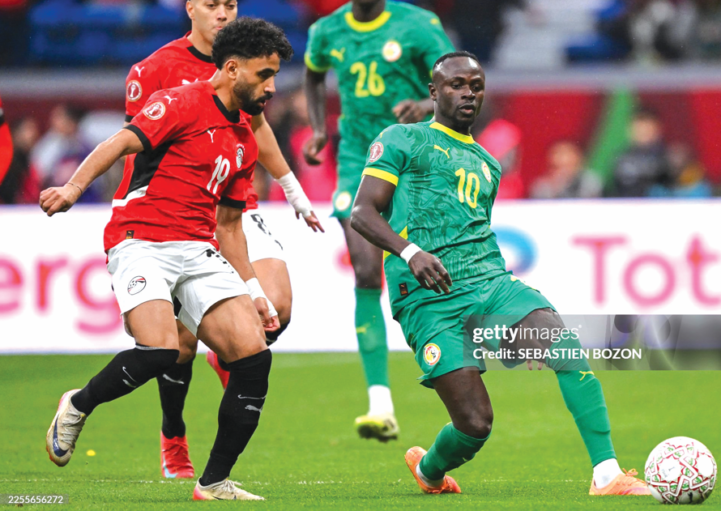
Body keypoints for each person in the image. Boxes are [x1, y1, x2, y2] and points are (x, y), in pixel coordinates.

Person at [349, 51, 652, 497]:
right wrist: (411, 251)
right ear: (433, 93)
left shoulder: (489, 165)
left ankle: (606, 474)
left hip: (490, 286)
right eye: (456, 85)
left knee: (564, 346)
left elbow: (472, 232)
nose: (468, 92)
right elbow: (362, 213)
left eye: (476, 85)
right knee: (474, 425)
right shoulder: (402, 139)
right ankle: (431, 469)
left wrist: (513, 327)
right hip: (427, 300)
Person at [40, 18, 292, 501]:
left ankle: (213, 482)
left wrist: (255, 291)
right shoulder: (181, 101)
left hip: (199, 249)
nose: (272, 87)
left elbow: (231, 225)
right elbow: (121, 142)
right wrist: (74, 187)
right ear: (233, 68)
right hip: (140, 240)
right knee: (160, 351)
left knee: (254, 357)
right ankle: (78, 404)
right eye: (264, 75)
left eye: (275, 76)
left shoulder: (244, 140)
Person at [123, 0, 323, 478]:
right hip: (182, 214)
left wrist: (294, 190)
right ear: (190, 7)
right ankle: (173, 434)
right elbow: (137, 143)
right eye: (212, 4)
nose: (222, 13)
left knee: (278, 307)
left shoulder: (249, 59)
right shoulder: (156, 69)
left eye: (230, 4)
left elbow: (257, 126)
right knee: (180, 347)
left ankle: (227, 345)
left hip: (237, 207)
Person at [303, 0, 454, 441]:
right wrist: (318, 128)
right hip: (357, 158)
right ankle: (381, 404)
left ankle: (453, 376)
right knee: (367, 271)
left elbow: (458, 80)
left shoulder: (417, 25)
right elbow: (313, 75)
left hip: (415, 155)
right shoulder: (327, 31)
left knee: (436, 271)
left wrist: (425, 107)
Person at [611, 107, 672, 197]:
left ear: (657, 129)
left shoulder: (669, 158)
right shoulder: (620, 159)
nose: (643, 134)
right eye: (639, 130)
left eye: (647, 130)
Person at [531, 141, 603, 199]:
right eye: (555, 168)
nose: (561, 173)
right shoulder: (542, 187)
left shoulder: (589, 181)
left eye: (565, 167)